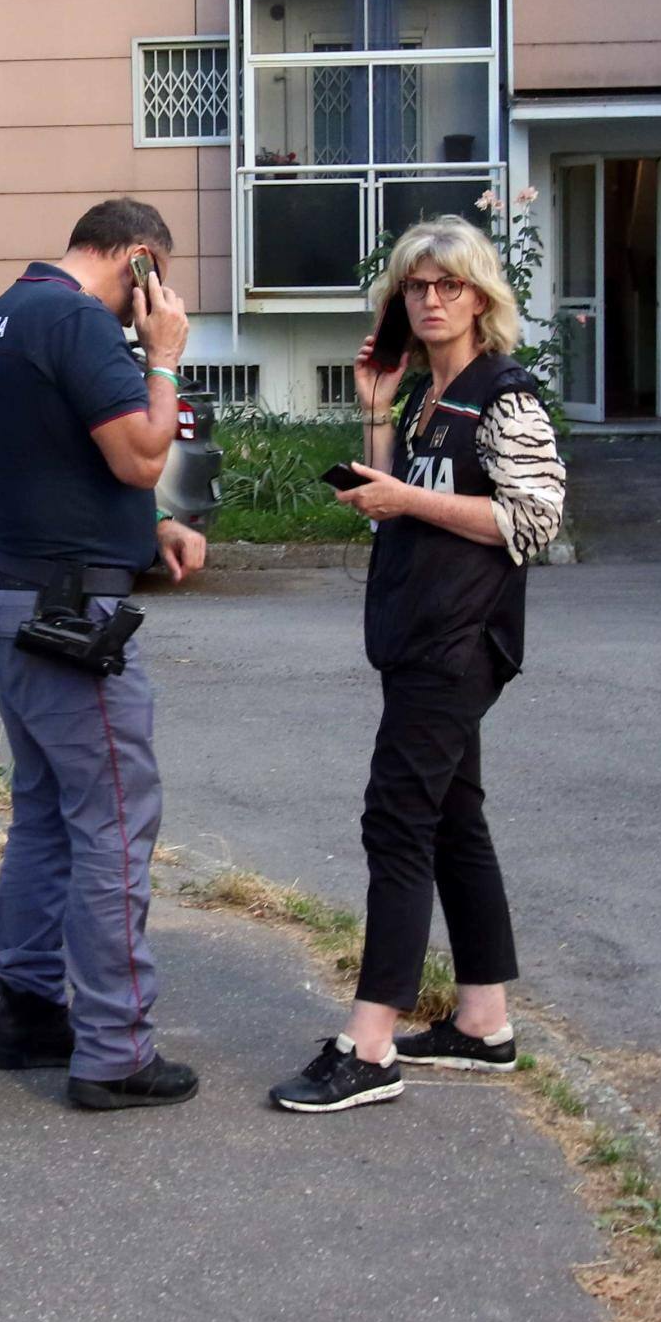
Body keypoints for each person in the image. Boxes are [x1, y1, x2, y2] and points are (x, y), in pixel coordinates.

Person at [270, 216, 567, 1116]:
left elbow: (535, 521)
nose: (431, 301)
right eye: (416, 287)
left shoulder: (505, 396)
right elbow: (385, 509)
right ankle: (483, 1022)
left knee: (396, 819)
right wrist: (374, 405)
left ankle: (369, 1044)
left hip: (460, 640)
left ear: (483, 299)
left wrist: (409, 497)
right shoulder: (424, 398)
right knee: (450, 820)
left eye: (451, 287)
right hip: (415, 633)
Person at [0, 197, 210, 1113]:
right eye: (160, 279)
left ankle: (27, 1013)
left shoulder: (0, 313)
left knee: (47, 811)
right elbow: (142, 454)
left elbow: (52, 464)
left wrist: (152, 529)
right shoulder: (78, 320)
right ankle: (113, 1050)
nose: (162, 297)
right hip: (63, 612)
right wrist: (165, 358)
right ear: (140, 261)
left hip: (6, 587)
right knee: (114, 815)